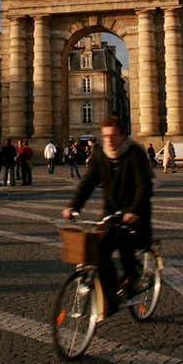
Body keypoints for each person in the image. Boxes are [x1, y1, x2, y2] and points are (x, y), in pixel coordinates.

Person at [61, 115, 153, 314]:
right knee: (98, 248)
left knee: (124, 239)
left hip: (135, 214)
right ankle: (111, 292)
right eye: (105, 136)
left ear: (122, 135)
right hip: (111, 212)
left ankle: (134, 277)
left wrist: (134, 211)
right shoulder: (100, 154)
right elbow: (88, 182)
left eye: (113, 136)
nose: (109, 140)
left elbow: (144, 187)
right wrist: (73, 206)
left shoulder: (135, 153)